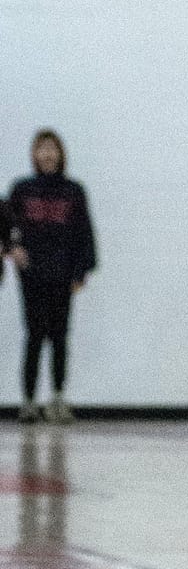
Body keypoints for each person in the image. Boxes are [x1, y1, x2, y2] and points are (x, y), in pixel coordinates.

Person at [7, 134, 94, 426]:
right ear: (34, 154)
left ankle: (57, 399)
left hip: (63, 273)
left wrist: (81, 271)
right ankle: (29, 402)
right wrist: (12, 248)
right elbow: (6, 224)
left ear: (60, 153)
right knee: (34, 335)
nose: (47, 154)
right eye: (42, 149)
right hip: (32, 275)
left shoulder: (73, 191)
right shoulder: (22, 189)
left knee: (59, 336)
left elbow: (84, 232)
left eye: (52, 149)